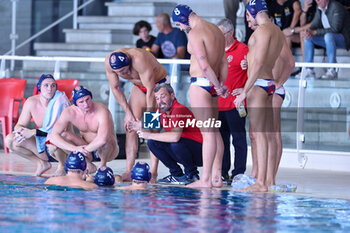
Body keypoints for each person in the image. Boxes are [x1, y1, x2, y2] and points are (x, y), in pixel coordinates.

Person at [233, 0, 293, 192]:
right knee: (265, 135)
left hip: (258, 85)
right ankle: (266, 182)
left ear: (252, 12)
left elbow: (258, 64)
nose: (248, 19)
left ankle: (261, 183)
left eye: (248, 15)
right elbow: (261, 60)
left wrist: (243, 91)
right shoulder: (275, 30)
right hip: (268, 84)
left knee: (259, 135)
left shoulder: (261, 32)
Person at [172, 4, 229, 188]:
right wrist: (221, 85)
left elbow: (204, 65)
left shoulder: (195, 32)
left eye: (179, 25)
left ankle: (205, 180)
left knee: (208, 134)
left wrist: (217, 85)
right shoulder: (216, 30)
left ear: (183, 19)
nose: (180, 29)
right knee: (214, 132)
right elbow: (223, 61)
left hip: (201, 84)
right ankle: (217, 177)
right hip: (213, 85)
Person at [105, 48, 168, 182]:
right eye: (120, 72)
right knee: (131, 127)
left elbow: (151, 90)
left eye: (126, 70)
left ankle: (153, 172)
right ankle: (129, 170)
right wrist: (128, 112)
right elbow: (115, 88)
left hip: (158, 86)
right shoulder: (109, 62)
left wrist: (148, 120)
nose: (124, 74)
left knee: (152, 129)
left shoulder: (139, 59)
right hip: (138, 87)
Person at [129, 84, 203, 185]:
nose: (160, 101)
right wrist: (140, 126)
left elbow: (175, 137)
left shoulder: (179, 109)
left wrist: (148, 135)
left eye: (163, 96)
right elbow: (151, 129)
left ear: (172, 96)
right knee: (152, 143)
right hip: (183, 151)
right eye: (157, 98)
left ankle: (192, 175)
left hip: (199, 153)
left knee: (175, 142)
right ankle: (177, 175)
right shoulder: (161, 111)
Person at [5, 74, 70, 177]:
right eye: (46, 85)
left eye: (53, 86)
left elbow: (58, 132)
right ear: (39, 87)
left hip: (60, 145)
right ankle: (41, 163)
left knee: (53, 140)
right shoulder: (31, 102)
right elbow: (19, 125)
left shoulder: (61, 103)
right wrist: (20, 132)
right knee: (10, 140)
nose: (50, 89)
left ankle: (62, 166)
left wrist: (31, 132)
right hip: (43, 143)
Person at [50, 86, 119, 173]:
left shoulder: (102, 110)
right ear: (75, 104)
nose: (86, 104)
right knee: (64, 136)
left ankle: (102, 165)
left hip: (108, 150)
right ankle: (87, 163)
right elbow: (53, 136)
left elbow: (102, 139)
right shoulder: (69, 112)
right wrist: (75, 148)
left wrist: (82, 151)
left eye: (87, 99)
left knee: (106, 139)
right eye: (81, 102)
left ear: (91, 97)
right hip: (85, 148)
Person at [216, 18, 249, 183]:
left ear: (231, 33)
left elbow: (255, 73)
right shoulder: (215, 51)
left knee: (238, 140)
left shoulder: (243, 49)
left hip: (236, 104)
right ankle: (223, 172)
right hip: (219, 105)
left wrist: (244, 90)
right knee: (222, 141)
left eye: (221, 34)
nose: (218, 37)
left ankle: (238, 173)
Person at [302, 0, 350, 79]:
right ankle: (309, 70)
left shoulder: (336, 7)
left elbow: (335, 29)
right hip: (330, 40)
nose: (317, 1)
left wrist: (316, 32)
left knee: (329, 36)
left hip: (345, 39)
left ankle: (332, 70)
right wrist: (308, 32)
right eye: (316, 0)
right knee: (308, 37)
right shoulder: (319, 7)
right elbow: (314, 25)